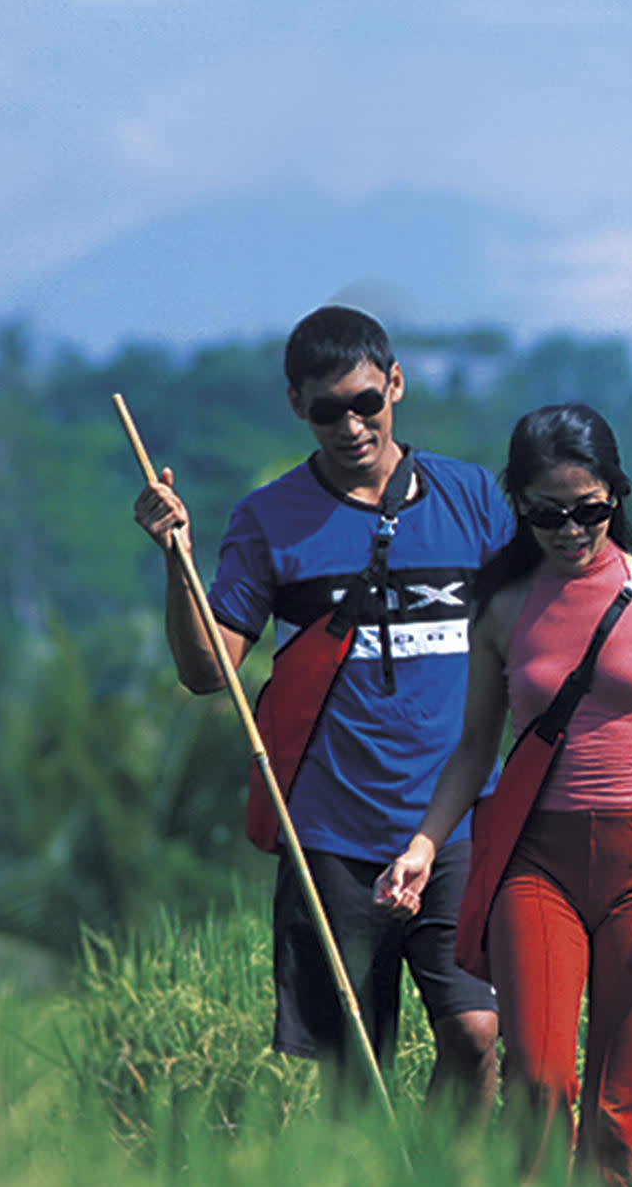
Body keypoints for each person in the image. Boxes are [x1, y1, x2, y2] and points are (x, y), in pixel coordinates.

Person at [133, 305, 515, 1109]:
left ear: (396, 386)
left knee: (477, 1034)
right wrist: (177, 561)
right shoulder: (269, 519)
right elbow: (209, 672)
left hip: (457, 824)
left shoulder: (473, 499)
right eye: (326, 409)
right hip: (332, 838)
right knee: (354, 1072)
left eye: (365, 402)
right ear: (295, 407)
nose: (350, 425)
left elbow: (541, 625)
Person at [379, 405, 632, 1187]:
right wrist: (422, 843)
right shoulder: (505, 606)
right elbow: (475, 747)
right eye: (548, 513)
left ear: (617, 494)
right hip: (536, 860)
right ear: (518, 504)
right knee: (540, 1080)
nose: (570, 528)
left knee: (623, 1104)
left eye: (589, 508)